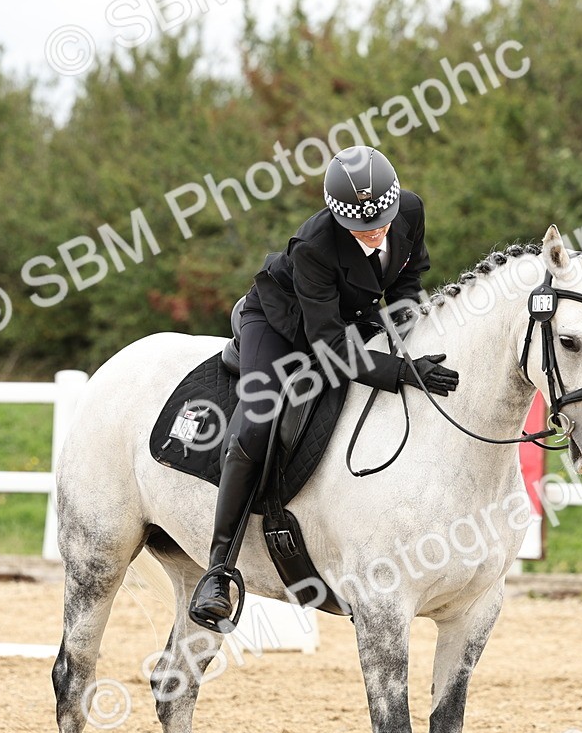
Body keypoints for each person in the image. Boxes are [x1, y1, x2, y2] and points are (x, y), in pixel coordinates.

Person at [188, 145, 460, 625]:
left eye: (383, 219)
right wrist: (401, 372)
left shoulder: (410, 210)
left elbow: (408, 279)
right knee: (257, 420)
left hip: (348, 319)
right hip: (281, 325)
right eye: (362, 226)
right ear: (338, 217)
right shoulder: (315, 245)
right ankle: (218, 570)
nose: (376, 231)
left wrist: (407, 329)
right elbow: (329, 347)